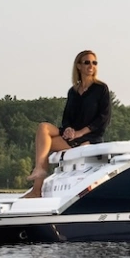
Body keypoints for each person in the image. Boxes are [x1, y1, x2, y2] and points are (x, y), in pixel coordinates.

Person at [25, 50, 110, 195]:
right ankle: (39, 172)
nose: (91, 66)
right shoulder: (73, 91)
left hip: (89, 137)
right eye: (87, 62)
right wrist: (68, 128)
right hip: (71, 136)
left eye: (94, 63)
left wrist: (79, 133)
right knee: (43, 128)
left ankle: (37, 189)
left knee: (46, 145)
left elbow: (103, 118)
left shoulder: (101, 89)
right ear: (79, 66)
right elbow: (66, 118)